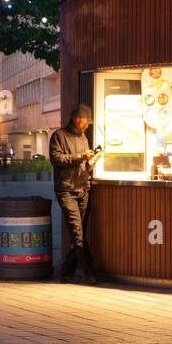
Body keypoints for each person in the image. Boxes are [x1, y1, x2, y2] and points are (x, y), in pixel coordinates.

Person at [49, 105, 101, 284]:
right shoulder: (59, 135)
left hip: (83, 189)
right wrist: (80, 156)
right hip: (66, 190)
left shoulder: (83, 137)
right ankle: (90, 274)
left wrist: (92, 160)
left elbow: (84, 167)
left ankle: (66, 273)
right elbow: (56, 159)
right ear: (73, 118)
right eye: (80, 118)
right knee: (78, 233)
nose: (83, 121)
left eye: (86, 119)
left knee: (77, 234)